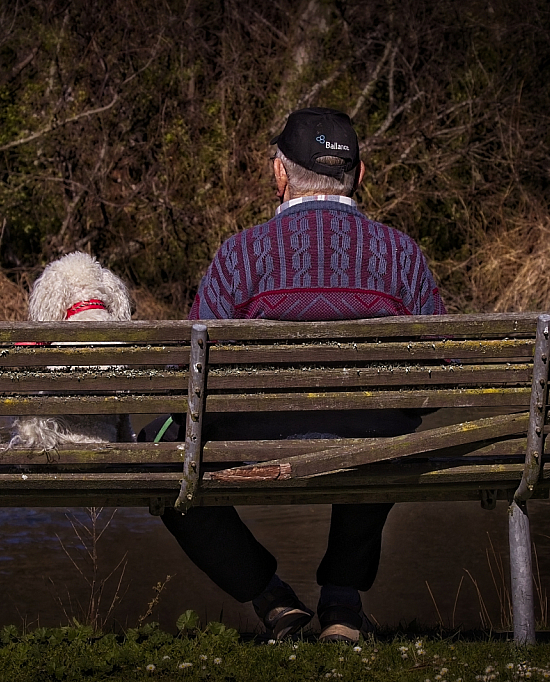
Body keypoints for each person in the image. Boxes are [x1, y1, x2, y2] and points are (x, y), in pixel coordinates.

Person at [144, 107, 446, 643]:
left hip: (253, 443)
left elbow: (184, 384)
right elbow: (437, 380)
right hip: (371, 444)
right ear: (361, 173)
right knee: (382, 429)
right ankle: (342, 605)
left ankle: (272, 599)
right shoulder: (403, 257)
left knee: (156, 450)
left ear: (280, 175)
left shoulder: (237, 256)